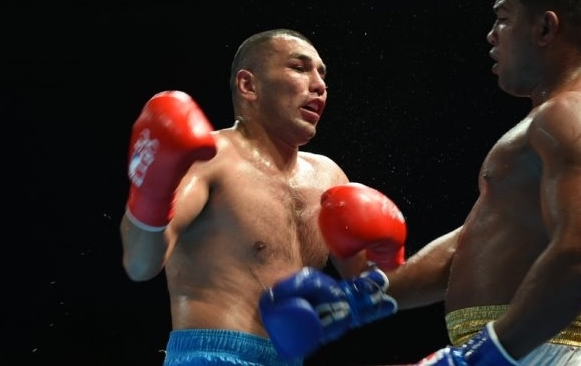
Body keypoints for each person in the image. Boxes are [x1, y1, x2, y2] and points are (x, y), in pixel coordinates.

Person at [262, 0, 581, 365]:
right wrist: (361, 298)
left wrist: (486, 353)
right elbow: (467, 246)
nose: (492, 35)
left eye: (503, 18)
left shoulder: (580, 115)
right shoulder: (549, 122)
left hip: (550, 351)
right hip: (523, 349)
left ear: (545, 28)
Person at [119, 28, 453, 365]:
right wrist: (151, 194)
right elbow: (140, 264)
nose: (319, 85)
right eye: (299, 68)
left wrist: (388, 254)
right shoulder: (210, 158)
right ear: (248, 85)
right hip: (211, 355)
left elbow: (370, 289)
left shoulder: (328, 178)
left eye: (322, 75)